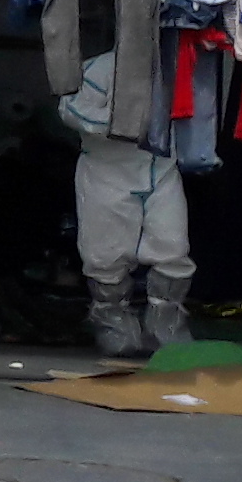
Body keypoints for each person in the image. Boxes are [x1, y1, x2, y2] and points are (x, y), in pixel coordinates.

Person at [59, 49, 190, 358]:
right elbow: (71, 109)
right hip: (108, 173)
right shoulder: (99, 67)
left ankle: (166, 324)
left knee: (172, 244)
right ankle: (113, 322)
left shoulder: (175, 65)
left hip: (161, 170)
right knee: (104, 252)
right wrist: (122, 123)